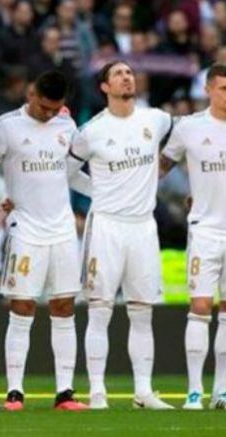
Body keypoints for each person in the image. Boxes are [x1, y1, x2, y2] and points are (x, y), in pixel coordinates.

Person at [69, 61, 175, 410]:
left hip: (144, 227)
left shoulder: (156, 120)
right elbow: (68, 172)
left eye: (129, 72)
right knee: (100, 310)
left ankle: (143, 391)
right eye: (118, 74)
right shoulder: (91, 131)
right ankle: (97, 390)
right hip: (107, 227)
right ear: (104, 87)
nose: (127, 77)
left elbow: (191, 133)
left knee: (142, 312)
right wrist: (97, 192)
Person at [0, 71, 89, 411]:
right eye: (44, 106)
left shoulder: (67, 126)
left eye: (55, 107)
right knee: (23, 306)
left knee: (63, 307)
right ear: (31, 95)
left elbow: (73, 173)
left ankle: (65, 393)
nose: (49, 113)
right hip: (25, 228)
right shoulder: (7, 126)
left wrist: (104, 196)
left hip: (61, 228)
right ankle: (15, 391)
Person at [161, 63, 226, 411]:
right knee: (200, 306)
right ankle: (194, 391)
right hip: (205, 230)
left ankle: (221, 392)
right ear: (208, 90)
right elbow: (164, 164)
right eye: (224, 88)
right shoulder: (188, 128)